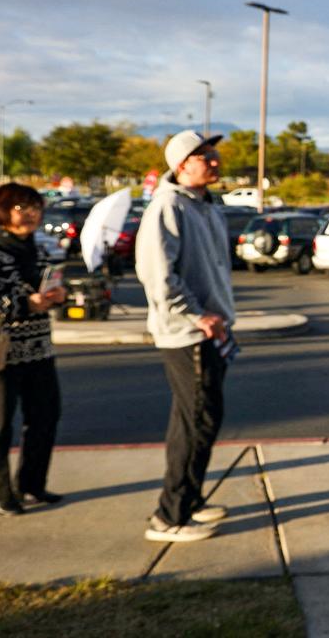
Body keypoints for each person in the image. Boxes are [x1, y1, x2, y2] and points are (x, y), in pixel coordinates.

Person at [135, 130, 235, 543]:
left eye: (213, 154)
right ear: (181, 166)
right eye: (204, 156)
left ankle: (189, 500)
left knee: (200, 419)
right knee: (196, 422)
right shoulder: (167, 206)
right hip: (187, 334)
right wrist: (197, 316)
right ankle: (169, 517)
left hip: (210, 330)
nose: (213, 161)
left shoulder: (206, 207)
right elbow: (158, 276)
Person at [0, 183, 66, 517]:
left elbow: (43, 287)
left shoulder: (37, 247)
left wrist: (56, 296)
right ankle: (3, 494)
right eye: (20, 207)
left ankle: (32, 484)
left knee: (45, 417)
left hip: (39, 347)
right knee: (0, 426)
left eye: (35, 207)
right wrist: (26, 303)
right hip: (3, 352)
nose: (29, 214)